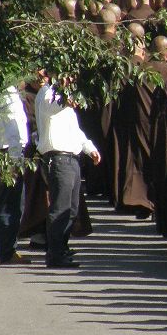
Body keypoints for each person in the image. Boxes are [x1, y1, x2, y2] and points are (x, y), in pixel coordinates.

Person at [35, 75, 101, 268]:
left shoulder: (65, 98)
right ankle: (55, 254)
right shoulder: (48, 94)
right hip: (58, 157)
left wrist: (89, 148)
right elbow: (50, 108)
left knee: (72, 209)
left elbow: (75, 129)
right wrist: (64, 96)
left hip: (72, 158)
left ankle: (61, 248)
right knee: (60, 208)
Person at [0, 85, 30, 264]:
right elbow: (13, 125)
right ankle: (7, 250)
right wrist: (16, 158)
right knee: (10, 205)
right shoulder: (8, 92)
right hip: (7, 153)